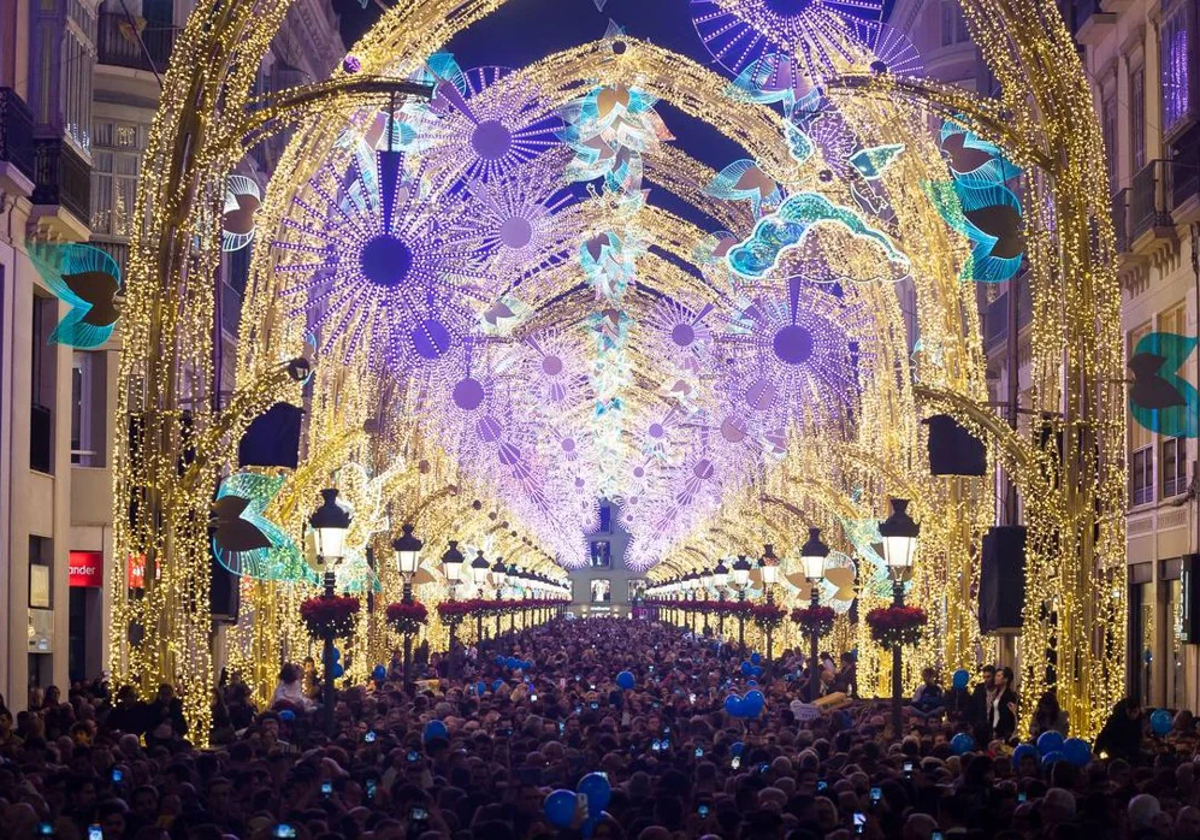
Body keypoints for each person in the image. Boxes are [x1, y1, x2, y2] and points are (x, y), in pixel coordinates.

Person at [989, 665, 1019, 741]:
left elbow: (1006, 716)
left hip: (1002, 731)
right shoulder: (996, 693)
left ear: (1005, 679)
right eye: (995, 675)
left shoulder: (1009, 695)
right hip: (993, 728)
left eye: (998, 676)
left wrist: (998, 730)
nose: (995, 678)